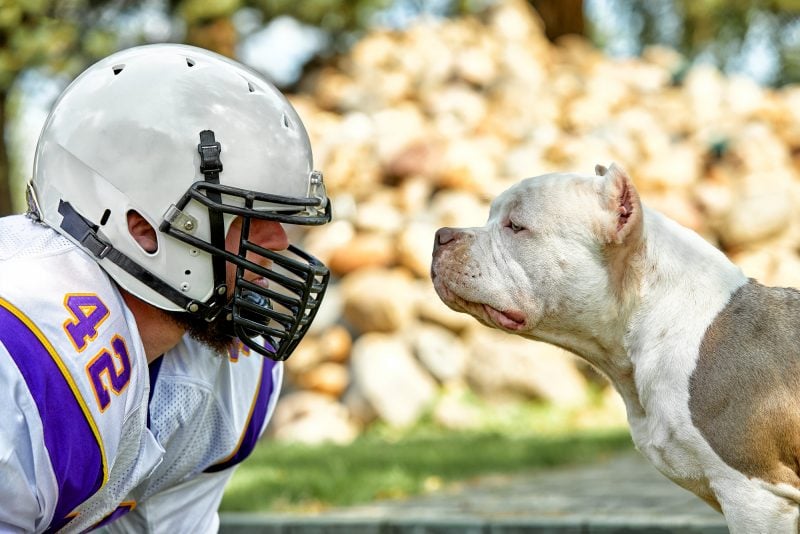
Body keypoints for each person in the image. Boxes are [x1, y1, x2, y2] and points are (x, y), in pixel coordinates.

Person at [0, 43, 331, 532]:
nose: (279, 244)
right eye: (246, 217)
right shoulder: (25, 355)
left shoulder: (237, 369)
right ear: (141, 228)